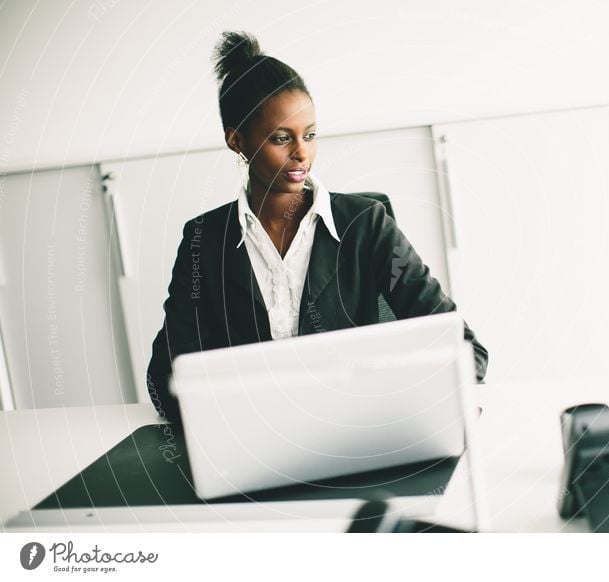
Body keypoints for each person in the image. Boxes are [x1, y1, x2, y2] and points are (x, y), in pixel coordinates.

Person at [147, 31, 488, 425]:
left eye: (309, 135)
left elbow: (462, 349)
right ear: (236, 140)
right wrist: (232, 418)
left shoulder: (365, 225)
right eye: (281, 138)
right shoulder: (203, 241)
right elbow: (166, 378)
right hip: (255, 439)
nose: (302, 153)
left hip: (357, 431)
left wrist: (396, 399)